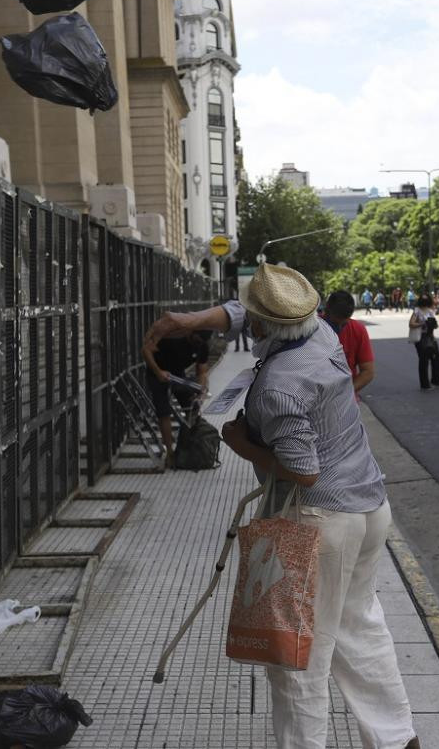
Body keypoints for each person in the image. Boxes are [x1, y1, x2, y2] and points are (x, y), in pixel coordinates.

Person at [145, 263, 418, 749]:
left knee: (296, 658)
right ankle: (398, 740)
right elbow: (240, 314)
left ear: (262, 325)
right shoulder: (323, 338)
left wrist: (240, 444)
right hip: (368, 507)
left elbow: (302, 469)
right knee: (360, 630)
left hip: (321, 521)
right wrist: (188, 321)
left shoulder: (279, 383)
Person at [141, 331, 210, 467]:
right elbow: (146, 350)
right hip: (156, 372)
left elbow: (201, 371)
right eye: (197, 339)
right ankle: (170, 452)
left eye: (201, 341)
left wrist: (200, 392)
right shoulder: (173, 335)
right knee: (164, 411)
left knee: (192, 405)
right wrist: (158, 372)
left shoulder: (202, 346)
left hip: (177, 374)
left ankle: (189, 444)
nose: (198, 342)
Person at [323, 291, 375, 395]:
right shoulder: (312, 329)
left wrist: (345, 393)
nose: (339, 329)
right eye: (334, 324)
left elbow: (368, 372)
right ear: (326, 312)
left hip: (346, 400)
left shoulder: (358, 330)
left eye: (344, 325)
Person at [408, 294, 439, 389]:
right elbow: (411, 324)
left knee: (436, 359)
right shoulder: (417, 311)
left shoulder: (430, 311)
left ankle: (435, 380)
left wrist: (433, 324)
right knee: (424, 360)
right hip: (421, 337)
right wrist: (422, 323)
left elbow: (435, 325)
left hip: (430, 336)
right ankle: (425, 383)